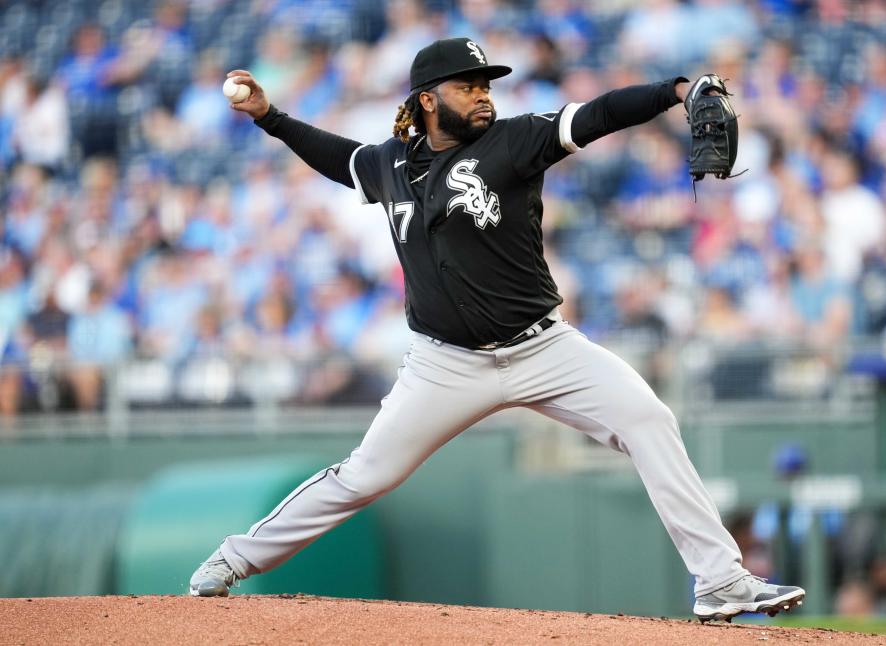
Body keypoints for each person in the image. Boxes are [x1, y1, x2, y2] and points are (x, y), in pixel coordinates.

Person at [189, 37, 805, 622]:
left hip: (545, 348)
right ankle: (234, 558)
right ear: (427, 99)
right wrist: (269, 116)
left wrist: (673, 91)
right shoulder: (390, 163)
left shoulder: (516, 141)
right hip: (445, 364)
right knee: (364, 475)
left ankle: (721, 581)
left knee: (649, 421)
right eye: (468, 85)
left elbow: (597, 115)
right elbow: (337, 158)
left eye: (486, 85)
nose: (484, 95)